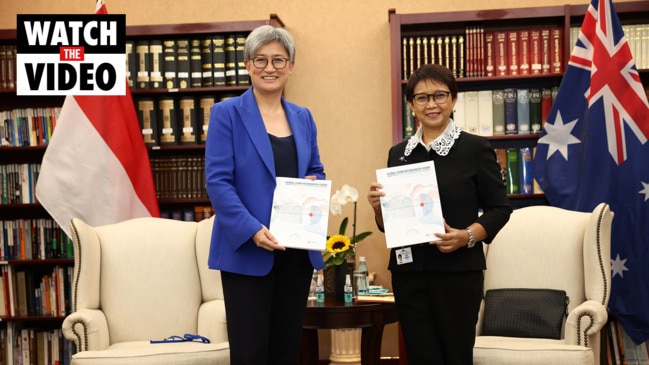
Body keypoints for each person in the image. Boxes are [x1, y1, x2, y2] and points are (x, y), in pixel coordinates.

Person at [367, 64, 512, 365]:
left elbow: (500, 209)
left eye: (439, 95)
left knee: (455, 356)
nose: (431, 104)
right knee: (422, 357)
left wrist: (467, 236)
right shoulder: (399, 153)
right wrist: (379, 208)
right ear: (411, 105)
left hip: (457, 273)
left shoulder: (475, 148)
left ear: (453, 100)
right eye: (421, 98)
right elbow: (387, 226)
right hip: (408, 274)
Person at [205, 25, 325, 365]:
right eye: (261, 59)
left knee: (287, 350)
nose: (269, 68)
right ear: (247, 64)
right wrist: (252, 229)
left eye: (278, 60)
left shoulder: (303, 117)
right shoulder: (226, 113)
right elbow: (218, 181)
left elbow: (317, 168)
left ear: (291, 66)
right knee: (250, 353)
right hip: (247, 251)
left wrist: (315, 184)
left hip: (296, 251)